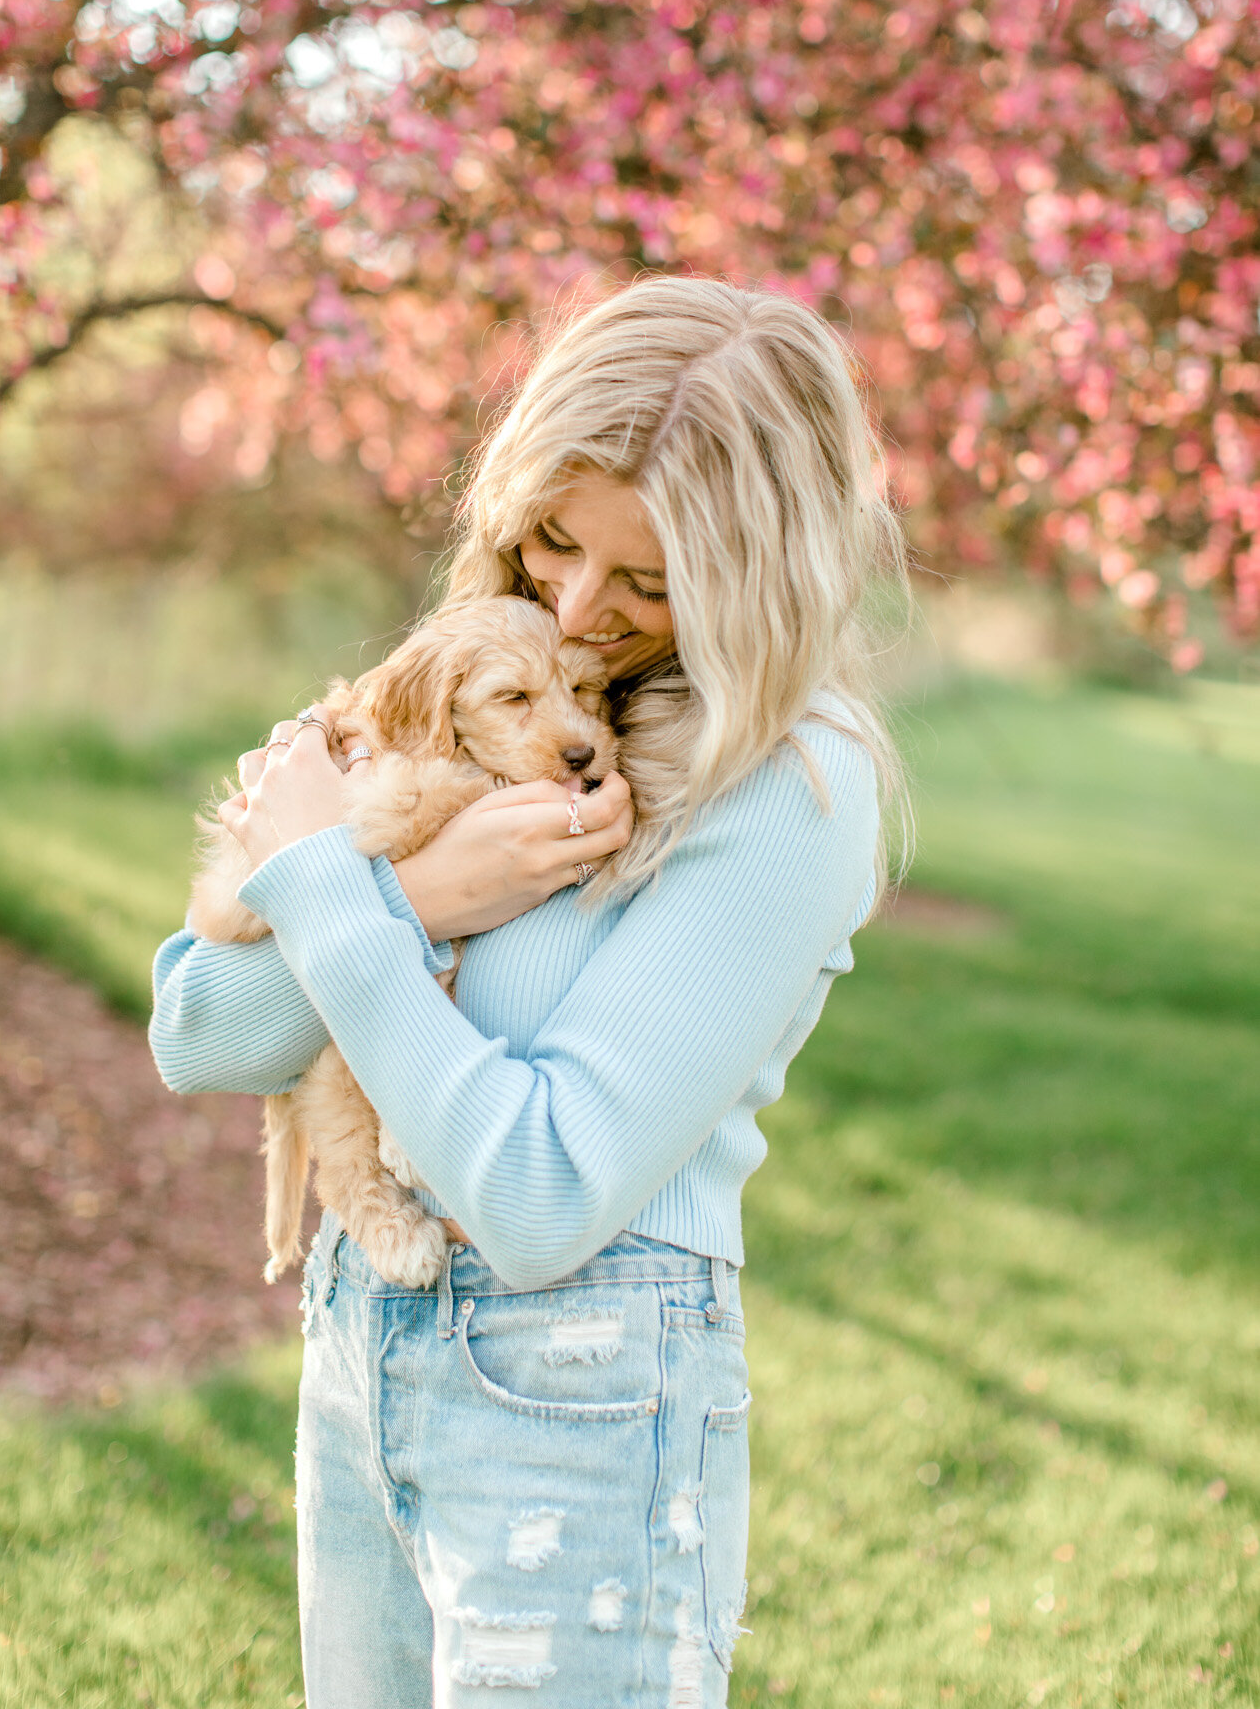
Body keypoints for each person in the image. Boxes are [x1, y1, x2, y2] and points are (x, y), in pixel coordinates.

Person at [149, 276, 907, 1708]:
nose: (573, 607)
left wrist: (330, 889)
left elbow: (544, 1192)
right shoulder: (461, 693)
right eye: (552, 541)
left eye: (645, 579)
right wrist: (420, 896)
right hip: (365, 1342)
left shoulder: (795, 786)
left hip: (579, 1391)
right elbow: (199, 1035)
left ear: (759, 569)